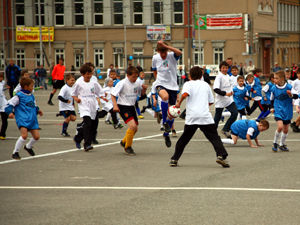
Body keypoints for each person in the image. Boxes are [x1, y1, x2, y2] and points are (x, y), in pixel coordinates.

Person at [169, 66, 230, 168]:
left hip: (192, 117)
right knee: (214, 138)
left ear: (190, 76)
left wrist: (178, 104)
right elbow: (210, 102)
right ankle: (220, 156)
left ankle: (174, 159)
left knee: (184, 139)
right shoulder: (206, 85)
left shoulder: (188, 84)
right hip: (205, 116)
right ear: (201, 75)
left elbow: (184, 94)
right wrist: (202, 105)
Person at [151, 40, 182, 147]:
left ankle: (166, 134)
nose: (163, 55)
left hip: (172, 86)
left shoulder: (172, 56)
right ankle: (164, 122)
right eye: (161, 52)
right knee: (165, 97)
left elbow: (180, 53)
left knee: (172, 114)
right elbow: (154, 70)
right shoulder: (155, 58)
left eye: (164, 52)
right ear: (158, 51)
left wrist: (166, 46)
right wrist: (157, 80)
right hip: (161, 84)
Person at [111, 66, 147, 155]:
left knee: (135, 129)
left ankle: (124, 142)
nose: (135, 78)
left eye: (136, 76)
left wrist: (144, 90)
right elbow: (112, 94)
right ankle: (128, 147)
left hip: (131, 106)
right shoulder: (122, 83)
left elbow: (140, 94)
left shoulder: (137, 83)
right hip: (123, 106)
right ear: (128, 75)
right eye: (133, 77)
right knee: (132, 126)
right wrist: (115, 106)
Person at [5, 77, 43, 160]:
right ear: (26, 87)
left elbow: (34, 105)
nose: (33, 88)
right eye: (32, 86)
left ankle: (28, 146)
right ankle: (15, 152)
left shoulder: (31, 96)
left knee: (36, 137)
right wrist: (10, 112)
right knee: (24, 135)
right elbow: (9, 105)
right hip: (22, 118)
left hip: (32, 119)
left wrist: (38, 110)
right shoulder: (19, 96)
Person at [72, 63, 104, 151]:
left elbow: (99, 92)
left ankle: (78, 138)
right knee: (87, 123)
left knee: (93, 125)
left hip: (93, 104)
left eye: (90, 74)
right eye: (87, 74)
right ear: (82, 74)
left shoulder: (94, 82)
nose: (89, 76)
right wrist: (76, 99)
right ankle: (87, 144)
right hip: (83, 104)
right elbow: (73, 94)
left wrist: (103, 97)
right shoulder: (78, 82)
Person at [270, 70, 298, 152]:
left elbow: (296, 96)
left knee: (285, 129)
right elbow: (271, 99)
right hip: (278, 109)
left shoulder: (289, 87)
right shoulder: (273, 88)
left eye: (276, 78)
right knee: (280, 127)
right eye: (274, 78)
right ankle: (275, 142)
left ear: (282, 79)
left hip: (287, 110)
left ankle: (282, 144)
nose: (274, 80)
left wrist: (291, 95)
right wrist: (271, 107)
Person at [213, 61, 238, 138]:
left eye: (226, 68)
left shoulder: (228, 76)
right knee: (217, 118)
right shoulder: (219, 77)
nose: (224, 69)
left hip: (229, 100)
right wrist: (225, 93)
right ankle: (213, 134)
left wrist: (232, 92)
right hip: (220, 101)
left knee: (235, 113)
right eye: (223, 68)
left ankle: (225, 129)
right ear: (220, 68)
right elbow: (216, 89)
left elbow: (230, 86)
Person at [0, 72, 8, 140]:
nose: (1, 78)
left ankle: (2, 134)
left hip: (3, 105)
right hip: (1, 104)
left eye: (2, 77)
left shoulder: (2, 83)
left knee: (4, 120)